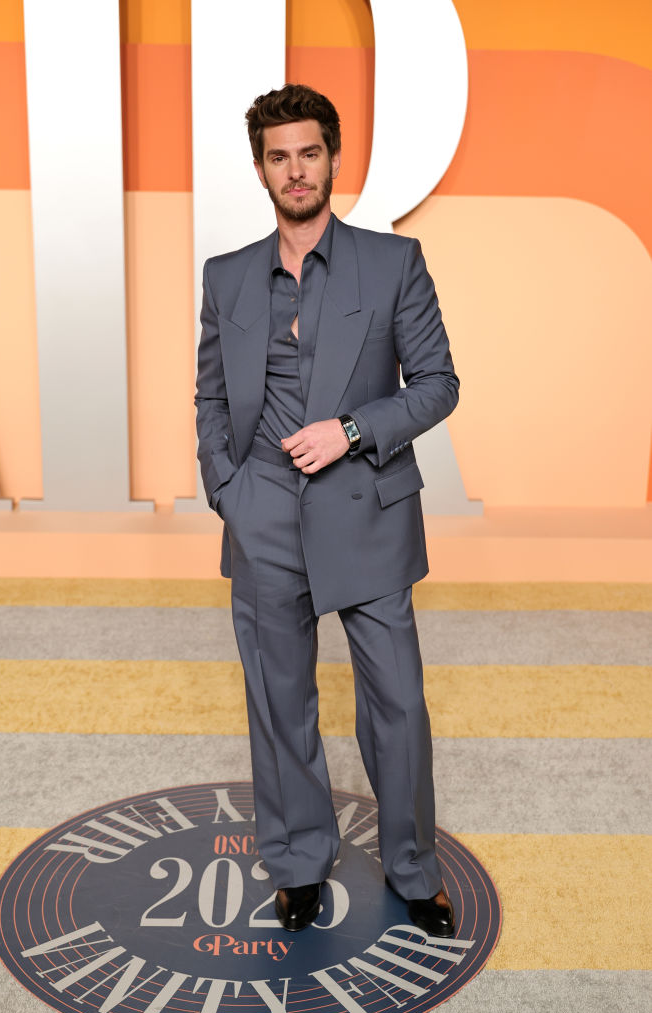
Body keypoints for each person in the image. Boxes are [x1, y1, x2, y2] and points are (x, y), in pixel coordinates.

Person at [195, 84, 460, 936]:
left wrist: (351, 429)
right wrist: (227, 493)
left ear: (332, 157)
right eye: (278, 156)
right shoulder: (228, 275)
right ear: (261, 169)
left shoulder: (393, 263)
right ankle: (299, 863)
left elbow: (438, 386)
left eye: (309, 152)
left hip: (367, 509)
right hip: (263, 514)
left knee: (398, 706)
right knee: (279, 703)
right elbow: (207, 395)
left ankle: (413, 868)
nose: (295, 169)